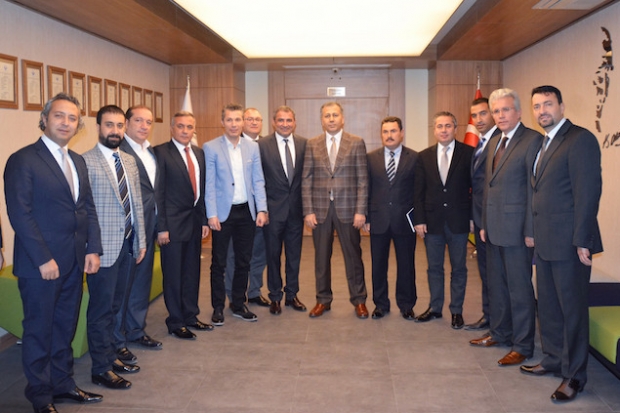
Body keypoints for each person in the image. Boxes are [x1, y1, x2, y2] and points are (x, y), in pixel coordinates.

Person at [4, 93, 103, 413]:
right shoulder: (23, 159)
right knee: (39, 330)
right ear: (45, 119)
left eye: (72, 118)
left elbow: (86, 208)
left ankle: (63, 384)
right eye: (59, 115)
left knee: (64, 326)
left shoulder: (77, 161)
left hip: (74, 260)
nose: (66, 122)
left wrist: (93, 248)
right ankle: (40, 395)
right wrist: (43, 258)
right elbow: (20, 214)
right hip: (41, 265)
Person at [520, 85, 602, 402]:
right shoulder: (543, 143)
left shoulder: (580, 139)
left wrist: (583, 240)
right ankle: (553, 359)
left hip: (570, 244)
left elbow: (587, 193)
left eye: (548, 104)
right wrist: (532, 232)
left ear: (562, 106)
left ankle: (574, 376)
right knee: (549, 308)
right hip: (545, 242)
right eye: (537, 106)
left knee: (572, 312)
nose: (542, 111)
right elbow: (538, 193)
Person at [470, 88, 542, 367]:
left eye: (506, 110)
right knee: (497, 286)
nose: (500, 115)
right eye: (496, 111)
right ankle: (499, 333)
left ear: (519, 112)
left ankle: (522, 345)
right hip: (492, 229)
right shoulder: (494, 142)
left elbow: (534, 190)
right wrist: (484, 224)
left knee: (519, 289)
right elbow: (488, 187)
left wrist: (530, 230)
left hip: (517, 232)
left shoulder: (532, 141)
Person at [82, 105, 146, 389]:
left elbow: (137, 204)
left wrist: (141, 240)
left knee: (116, 307)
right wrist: (91, 249)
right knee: (101, 311)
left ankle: (110, 357)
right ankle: (100, 368)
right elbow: (85, 211)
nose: (115, 131)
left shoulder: (129, 161)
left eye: (120, 125)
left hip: (128, 245)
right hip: (103, 250)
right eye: (109, 125)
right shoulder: (86, 162)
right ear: (98, 127)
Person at [301, 101, 369, 319]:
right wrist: (308, 210)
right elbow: (306, 179)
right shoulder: (312, 144)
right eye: (327, 116)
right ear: (322, 120)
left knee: (353, 257)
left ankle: (359, 300)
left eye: (335, 115)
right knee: (321, 258)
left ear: (343, 118)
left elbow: (363, 180)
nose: (331, 119)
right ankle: (323, 300)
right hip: (320, 210)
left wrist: (361, 210)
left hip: (349, 209)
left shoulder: (356, 142)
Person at [204, 103, 268, 325]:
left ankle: (239, 304)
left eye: (237, 119)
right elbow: (209, 183)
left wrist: (262, 209)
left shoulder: (252, 148)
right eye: (229, 120)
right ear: (222, 122)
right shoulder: (211, 147)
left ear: (243, 122)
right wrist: (211, 214)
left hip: (246, 212)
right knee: (219, 263)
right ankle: (218, 307)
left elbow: (258, 180)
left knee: (243, 261)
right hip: (223, 213)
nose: (234, 124)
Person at [154, 111, 212, 340]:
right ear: (172, 128)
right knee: (174, 275)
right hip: (172, 225)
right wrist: (161, 226)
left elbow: (201, 190)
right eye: (180, 126)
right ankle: (175, 321)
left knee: (191, 272)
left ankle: (190, 316)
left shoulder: (199, 153)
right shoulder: (160, 152)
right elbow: (158, 192)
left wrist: (204, 220)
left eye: (189, 127)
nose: (185, 131)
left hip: (194, 222)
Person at [413, 111, 473, 329]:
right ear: (434, 130)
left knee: (459, 268)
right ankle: (435, 308)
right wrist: (419, 220)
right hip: (432, 222)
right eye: (440, 126)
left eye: (448, 126)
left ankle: (456, 311)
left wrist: (472, 217)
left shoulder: (469, 153)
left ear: (455, 129)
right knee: (434, 268)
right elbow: (418, 192)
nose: (444, 130)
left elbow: (475, 189)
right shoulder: (424, 156)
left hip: (459, 221)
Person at [365, 116, 418, 320]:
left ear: (401, 133)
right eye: (385, 132)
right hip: (378, 220)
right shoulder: (371, 158)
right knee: (378, 265)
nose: (389, 135)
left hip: (404, 221)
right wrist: (367, 217)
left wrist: (418, 219)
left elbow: (418, 191)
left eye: (393, 131)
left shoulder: (414, 158)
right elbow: (366, 189)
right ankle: (380, 304)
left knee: (406, 265)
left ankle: (406, 304)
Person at [118, 105, 162, 351]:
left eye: (148, 122)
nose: (144, 126)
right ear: (126, 123)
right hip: (128, 230)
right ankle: (117, 339)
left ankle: (135, 329)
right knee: (123, 284)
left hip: (150, 226)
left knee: (142, 281)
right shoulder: (118, 150)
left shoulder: (151, 151)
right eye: (138, 121)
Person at [258, 106, 307, 315]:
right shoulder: (262, 145)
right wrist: (262, 209)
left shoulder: (304, 144)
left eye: (288, 120)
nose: (285, 124)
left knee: (294, 256)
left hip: (296, 211)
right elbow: (258, 179)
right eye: (281, 120)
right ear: (273, 122)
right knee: (273, 256)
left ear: (294, 122)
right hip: (272, 211)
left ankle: (292, 295)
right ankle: (275, 296)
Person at [225, 108, 270, 307]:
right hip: (238, 210)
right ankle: (234, 294)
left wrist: (265, 208)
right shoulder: (231, 144)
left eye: (257, 119)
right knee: (234, 255)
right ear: (243, 122)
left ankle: (254, 291)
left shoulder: (268, 145)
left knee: (259, 253)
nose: (253, 122)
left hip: (261, 210)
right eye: (249, 119)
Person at [465, 98, 499, 331]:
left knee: (495, 275)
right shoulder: (481, 143)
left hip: (494, 221)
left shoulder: (500, 143)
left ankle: (497, 322)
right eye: (474, 115)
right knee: (486, 273)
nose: (478, 119)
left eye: (483, 113)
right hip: (479, 218)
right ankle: (489, 316)